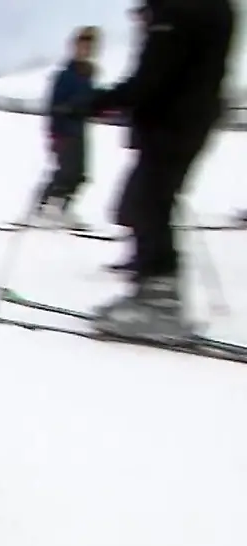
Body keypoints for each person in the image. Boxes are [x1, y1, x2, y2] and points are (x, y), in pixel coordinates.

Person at [86, 0, 235, 340]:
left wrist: (101, 100)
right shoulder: (203, 9)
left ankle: (160, 304)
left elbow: (154, 74)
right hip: (185, 118)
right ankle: (149, 293)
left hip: (175, 121)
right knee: (147, 201)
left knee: (147, 202)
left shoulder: (179, 9)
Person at [35, 27, 100, 230]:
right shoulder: (65, 75)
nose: (85, 50)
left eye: (90, 46)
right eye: (82, 45)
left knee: (80, 174)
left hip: (80, 131)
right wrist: (54, 132)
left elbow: (91, 103)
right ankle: (43, 207)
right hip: (64, 130)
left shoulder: (88, 75)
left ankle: (62, 208)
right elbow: (53, 105)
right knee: (66, 171)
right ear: (74, 47)